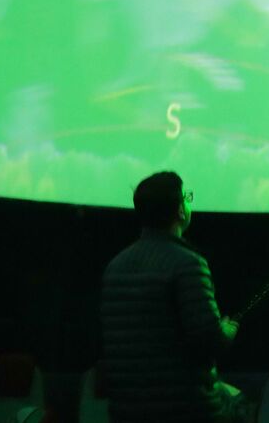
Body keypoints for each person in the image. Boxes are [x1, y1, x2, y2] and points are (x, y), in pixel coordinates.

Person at [100, 171, 251, 423]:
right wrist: (227, 330)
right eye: (187, 198)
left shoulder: (114, 267)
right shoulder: (189, 264)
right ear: (180, 211)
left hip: (126, 411)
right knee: (241, 405)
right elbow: (209, 341)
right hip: (187, 410)